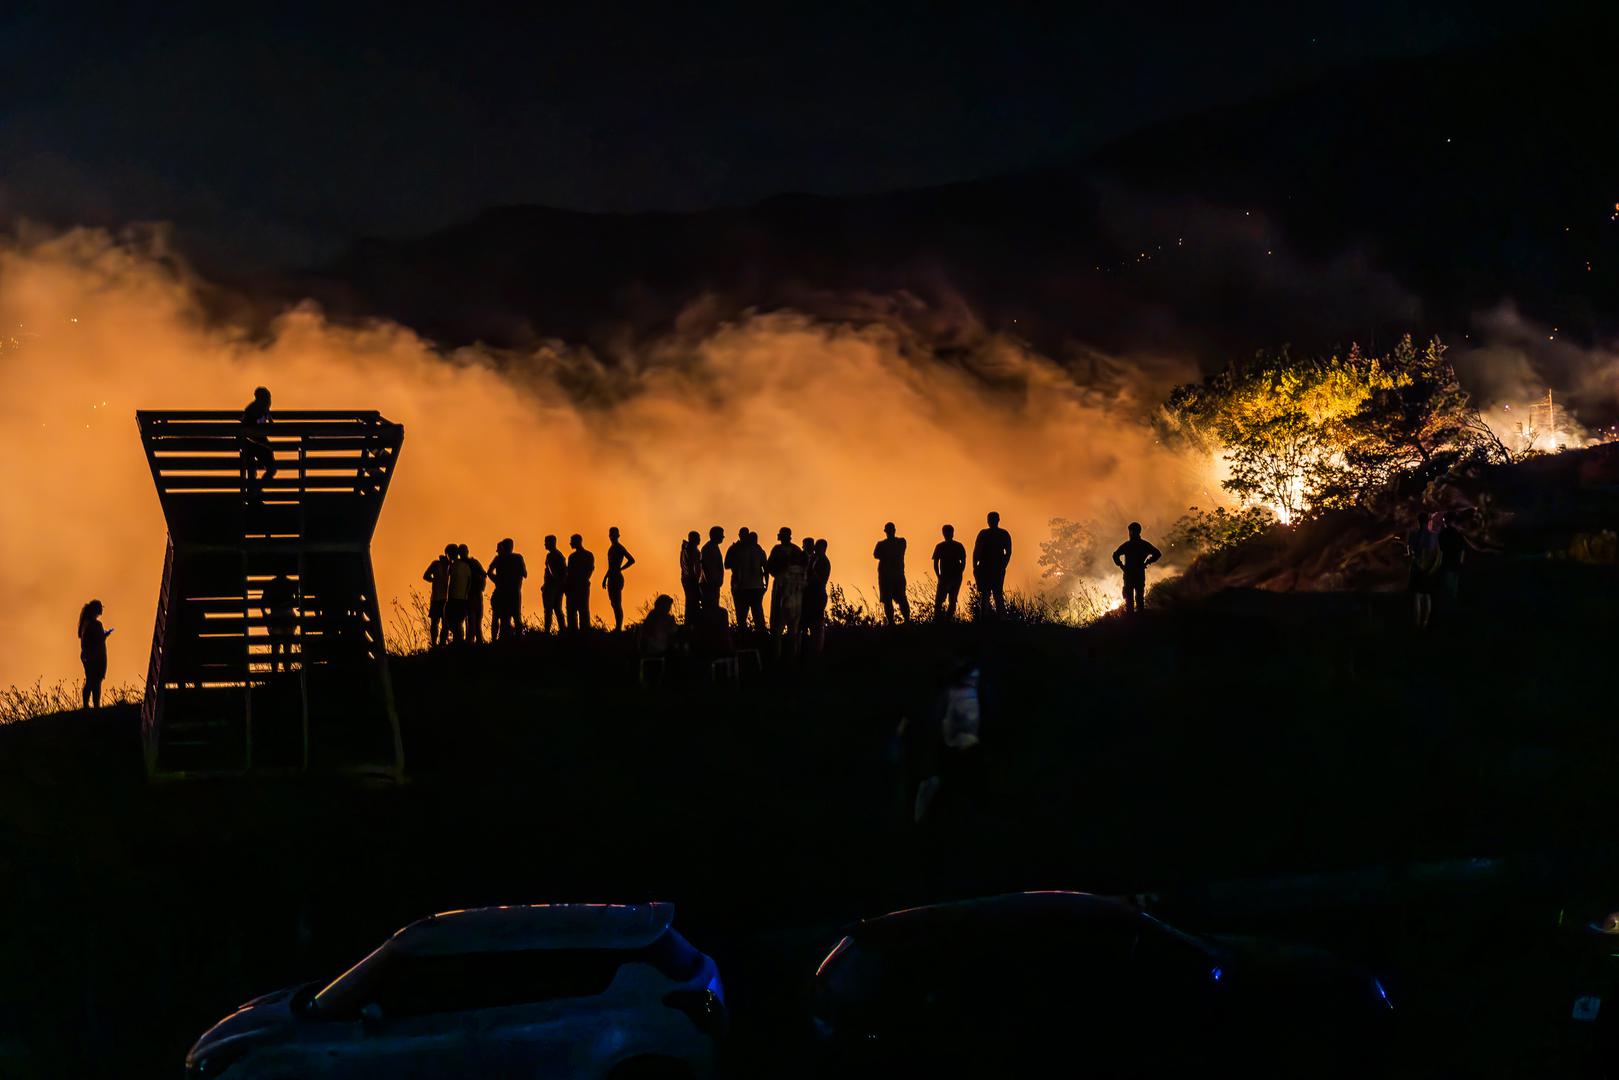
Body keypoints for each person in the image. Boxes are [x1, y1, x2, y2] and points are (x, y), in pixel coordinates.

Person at [767, 526, 807, 652]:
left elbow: (769, 567)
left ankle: (780, 658)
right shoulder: (797, 550)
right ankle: (792, 657)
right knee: (793, 630)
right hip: (796, 597)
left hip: (784, 595)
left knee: (777, 629)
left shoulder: (778, 550)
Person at [1111, 522, 1163, 614]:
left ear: (1131, 532)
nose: (1129, 533)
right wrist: (1147, 562)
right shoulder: (1144, 544)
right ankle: (1139, 621)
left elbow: (1115, 555)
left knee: (1129, 601)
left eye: (1130, 531)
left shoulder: (1128, 545)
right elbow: (1157, 554)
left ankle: (1131, 622)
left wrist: (1122, 566)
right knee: (1139, 600)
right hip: (1139, 574)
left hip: (1129, 575)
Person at [1436, 511, 1481, 609]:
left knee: (1446, 587)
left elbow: (1439, 549)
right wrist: (1461, 562)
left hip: (1446, 563)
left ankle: (1447, 608)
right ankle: (1453, 606)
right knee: (1453, 587)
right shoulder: (1458, 534)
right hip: (1455, 563)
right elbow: (1462, 549)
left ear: (1446, 521)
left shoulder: (1443, 534)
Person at [1405, 511, 1442, 630]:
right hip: (1429, 568)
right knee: (1427, 596)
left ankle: (1416, 624)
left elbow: (1410, 552)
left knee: (1417, 596)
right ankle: (1425, 623)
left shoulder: (1414, 535)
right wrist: (1433, 567)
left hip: (1417, 568)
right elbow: (1438, 553)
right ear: (1428, 521)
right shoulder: (1434, 536)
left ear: (1418, 521)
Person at [727, 528, 768, 634]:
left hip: (742, 588)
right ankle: (761, 639)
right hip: (756, 587)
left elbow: (726, 564)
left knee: (742, 616)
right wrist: (765, 585)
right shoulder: (759, 550)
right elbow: (766, 568)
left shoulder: (737, 549)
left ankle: (744, 638)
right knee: (758, 615)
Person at [973, 511, 1012, 617]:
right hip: (986, 568)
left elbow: (1008, 552)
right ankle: (990, 619)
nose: (991, 522)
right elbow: (977, 551)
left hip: (994, 568)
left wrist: (1003, 566)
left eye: (993, 519)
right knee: (988, 595)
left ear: (998, 520)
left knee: (995, 594)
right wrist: (975, 567)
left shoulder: (1001, 534)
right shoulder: (986, 534)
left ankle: (996, 619)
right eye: (990, 520)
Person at [487, 538, 527, 641]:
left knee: (502, 618)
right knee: (516, 617)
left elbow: (489, 572)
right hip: (514, 592)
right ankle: (518, 640)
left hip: (502, 592)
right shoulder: (518, 558)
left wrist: (497, 580)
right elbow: (525, 574)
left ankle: (497, 640)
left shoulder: (498, 559)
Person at [77, 600, 112, 709]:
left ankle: (87, 706)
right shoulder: (95, 624)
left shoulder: (84, 624)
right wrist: (105, 635)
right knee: (95, 682)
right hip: (96, 657)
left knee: (91, 681)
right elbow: (98, 639)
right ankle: (95, 706)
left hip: (88, 656)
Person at [873, 522, 910, 625]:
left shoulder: (900, 542)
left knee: (899, 599)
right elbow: (876, 555)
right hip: (890, 576)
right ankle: (894, 622)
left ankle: (904, 621)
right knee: (891, 600)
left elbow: (877, 554)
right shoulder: (898, 543)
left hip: (893, 576)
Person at [240, 386, 276, 488]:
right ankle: (256, 492)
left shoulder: (255, 409)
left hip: (248, 445)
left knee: (252, 472)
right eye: (268, 399)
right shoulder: (258, 410)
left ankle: (254, 493)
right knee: (271, 469)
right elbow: (256, 432)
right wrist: (267, 446)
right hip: (254, 445)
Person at [261, 572, 298, 673]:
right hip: (288, 616)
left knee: (275, 648)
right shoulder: (291, 583)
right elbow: (297, 601)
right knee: (287, 648)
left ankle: (275, 674)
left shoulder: (271, 584)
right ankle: (287, 672)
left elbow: (262, 602)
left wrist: (265, 615)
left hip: (275, 617)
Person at [602, 527, 637, 632]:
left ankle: (618, 627)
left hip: (617, 578)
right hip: (611, 577)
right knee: (613, 603)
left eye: (614, 534)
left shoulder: (619, 547)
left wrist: (621, 568)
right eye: (610, 534)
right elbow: (610, 566)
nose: (611, 536)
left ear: (617, 536)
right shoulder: (611, 548)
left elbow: (631, 560)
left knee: (617, 603)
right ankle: (618, 627)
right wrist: (605, 578)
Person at [932, 524, 967, 619]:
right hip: (944, 577)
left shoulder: (958, 546)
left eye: (949, 532)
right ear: (943, 533)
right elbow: (935, 563)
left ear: (953, 533)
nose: (948, 534)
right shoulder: (939, 546)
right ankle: (938, 621)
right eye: (946, 532)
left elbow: (963, 561)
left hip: (955, 577)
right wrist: (938, 576)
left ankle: (948, 620)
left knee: (952, 600)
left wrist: (959, 574)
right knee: (939, 601)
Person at [422, 544, 454, 646]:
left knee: (445, 623)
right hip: (436, 598)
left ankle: (442, 644)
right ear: (447, 553)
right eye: (451, 553)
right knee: (435, 622)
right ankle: (435, 644)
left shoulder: (452, 566)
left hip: (446, 599)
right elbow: (425, 576)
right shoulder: (436, 564)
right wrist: (435, 580)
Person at [805, 538, 832, 653]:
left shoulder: (824, 562)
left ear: (824, 548)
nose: (815, 548)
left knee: (817, 624)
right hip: (813, 594)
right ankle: (812, 648)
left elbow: (818, 579)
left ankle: (817, 649)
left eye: (817, 546)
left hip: (818, 594)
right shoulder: (815, 558)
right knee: (812, 622)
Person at [565, 533, 595, 631]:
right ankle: (581, 633)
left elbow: (588, 571)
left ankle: (579, 633)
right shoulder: (587, 555)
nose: (570, 543)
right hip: (578, 586)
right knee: (579, 611)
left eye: (572, 541)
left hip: (579, 587)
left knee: (579, 610)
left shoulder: (575, 557)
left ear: (577, 542)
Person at [459, 543, 487, 643]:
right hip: (469, 595)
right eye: (461, 552)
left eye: (464, 551)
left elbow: (484, 574)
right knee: (472, 619)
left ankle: (476, 641)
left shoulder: (472, 562)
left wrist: (481, 586)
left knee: (475, 619)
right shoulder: (461, 564)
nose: (463, 553)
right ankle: (473, 641)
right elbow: (484, 574)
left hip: (474, 593)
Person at [444, 545, 471, 644]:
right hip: (463, 599)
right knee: (459, 622)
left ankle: (458, 642)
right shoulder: (466, 566)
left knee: (451, 622)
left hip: (453, 599)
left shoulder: (452, 566)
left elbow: (450, 580)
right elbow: (469, 582)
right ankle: (459, 642)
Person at [541, 535, 567, 633]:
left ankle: (547, 631)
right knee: (558, 610)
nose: (544, 544)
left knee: (548, 610)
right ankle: (563, 630)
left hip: (551, 588)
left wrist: (547, 585)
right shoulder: (560, 554)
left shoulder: (551, 556)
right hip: (557, 587)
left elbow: (553, 572)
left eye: (546, 542)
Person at [700, 526, 726, 616]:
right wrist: (710, 581)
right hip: (709, 585)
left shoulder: (714, 547)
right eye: (721, 535)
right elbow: (705, 566)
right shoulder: (708, 548)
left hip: (714, 583)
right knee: (709, 608)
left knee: (714, 607)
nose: (723, 537)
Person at [680, 531, 704, 622]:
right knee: (692, 602)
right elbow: (693, 566)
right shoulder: (690, 550)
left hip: (689, 579)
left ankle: (692, 621)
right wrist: (697, 579)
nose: (699, 540)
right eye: (698, 538)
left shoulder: (689, 549)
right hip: (691, 580)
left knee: (692, 602)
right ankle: (690, 623)